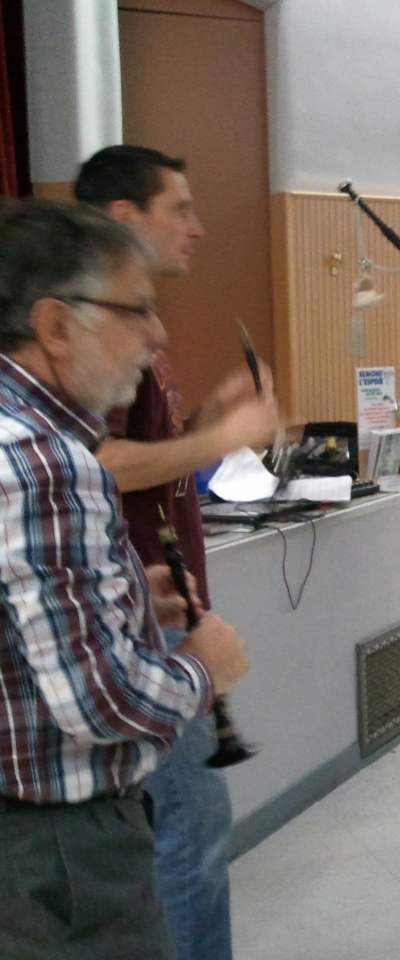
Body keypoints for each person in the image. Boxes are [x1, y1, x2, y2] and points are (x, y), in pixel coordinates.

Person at [0, 199, 248, 960]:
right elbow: (99, 702)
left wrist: (132, 599)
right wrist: (203, 667)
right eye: (136, 310)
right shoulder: (47, 464)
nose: (157, 334)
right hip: (63, 847)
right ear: (56, 325)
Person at [74, 144, 280, 960]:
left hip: (150, 593)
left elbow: (143, 461)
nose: (197, 228)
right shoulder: (96, 329)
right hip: (132, 617)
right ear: (125, 216)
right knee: (190, 830)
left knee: (185, 827)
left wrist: (203, 427)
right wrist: (223, 437)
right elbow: (90, 463)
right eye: (181, 209)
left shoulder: (131, 326)